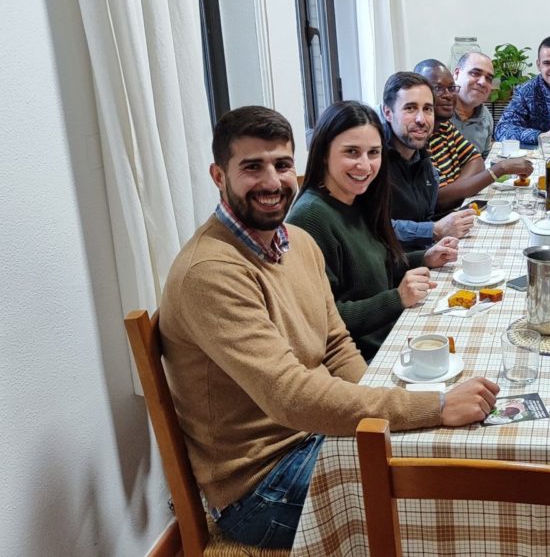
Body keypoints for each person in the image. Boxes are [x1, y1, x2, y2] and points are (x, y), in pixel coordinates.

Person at [158, 106, 499, 549]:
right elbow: (290, 397)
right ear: (219, 176)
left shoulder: (295, 242)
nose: (272, 181)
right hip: (261, 487)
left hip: (315, 434)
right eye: (251, 167)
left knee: (458, 458)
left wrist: (393, 416)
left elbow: (336, 343)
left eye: (281, 165)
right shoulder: (209, 272)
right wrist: (431, 407)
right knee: (442, 490)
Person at [288, 101, 457, 361]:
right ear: (324, 153)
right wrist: (397, 298)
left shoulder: (360, 199)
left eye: (374, 153)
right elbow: (321, 320)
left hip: (395, 333)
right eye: (352, 152)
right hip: (364, 357)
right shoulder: (311, 216)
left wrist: (423, 257)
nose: (365, 166)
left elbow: (375, 267)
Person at [415, 59, 533, 209]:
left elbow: (476, 159)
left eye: (451, 88)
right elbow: (437, 199)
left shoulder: (444, 125)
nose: (448, 95)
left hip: (459, 209)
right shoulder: (418, 135)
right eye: (438, 88)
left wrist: (459, 190)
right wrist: (501, 168)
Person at [380, 71, 476, 249]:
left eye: (427, 109)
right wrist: (434, 230)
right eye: (410, 108)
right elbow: (374, 229)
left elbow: (425, 217)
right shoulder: (374, 160)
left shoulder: (423, 158)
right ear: (388, 112)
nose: (421, 119)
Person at [451, 51, 496, 157]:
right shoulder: (437, 113)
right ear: (456, 74)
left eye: (488, 78)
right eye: (475, 73)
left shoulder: (486, 118)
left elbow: (484, 160)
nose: (482, 82)